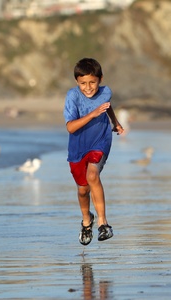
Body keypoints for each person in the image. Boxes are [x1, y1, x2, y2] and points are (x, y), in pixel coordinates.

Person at [63, 58, 124, 246]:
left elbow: (106, 105)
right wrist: (93, 114)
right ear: (76, 82)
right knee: (83, 190)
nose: (88, 87)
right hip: (78, 146)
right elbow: (71, 128)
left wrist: (115, 122)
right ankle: (86, 220)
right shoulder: (72, 97)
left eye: (92, 82)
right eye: (83, 83)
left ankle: (103, 223)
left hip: (100, 141)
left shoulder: (106, 92)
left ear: (100, 79)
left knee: (93, 175)